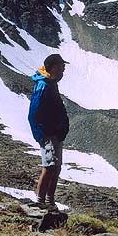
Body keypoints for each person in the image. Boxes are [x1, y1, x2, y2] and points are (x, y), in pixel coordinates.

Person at [28, 53, 70, 210]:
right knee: (50, 165)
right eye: (61, 68)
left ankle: (49, 200)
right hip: (48, 134)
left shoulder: (50, 83)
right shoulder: (43, 86)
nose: (63, 72)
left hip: (55, 133)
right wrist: (42, 134)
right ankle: (40, 201)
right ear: (53, 68)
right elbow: (34, 113)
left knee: (56, 166)